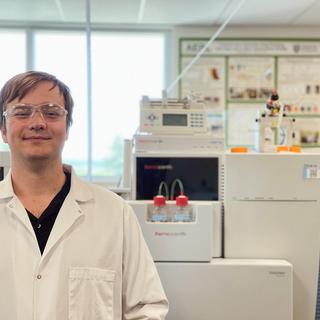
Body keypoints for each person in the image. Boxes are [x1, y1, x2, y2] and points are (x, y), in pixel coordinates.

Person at [0, 71, 168, 319]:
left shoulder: (114, 213)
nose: (37, 122)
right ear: (3, 130)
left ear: (67, 128)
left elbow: (147, 308)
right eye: (22, 112)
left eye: (51, 112)